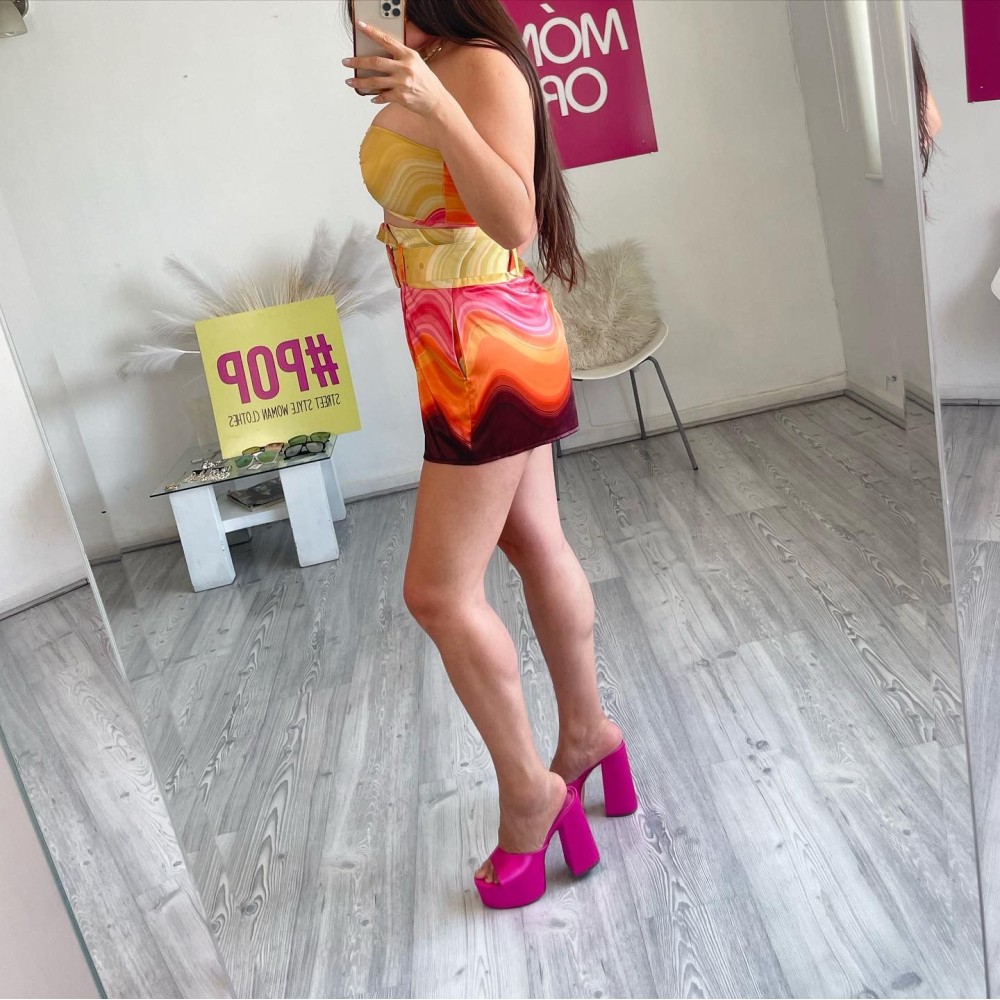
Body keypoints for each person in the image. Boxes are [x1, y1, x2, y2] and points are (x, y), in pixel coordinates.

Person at [343, 0, 637, 908]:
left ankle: (530, 795)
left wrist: (433, 102)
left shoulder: (478, 64)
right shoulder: (435, 61)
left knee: (436, 592)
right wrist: (418, 92)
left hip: (485, 348)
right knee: (535, 542)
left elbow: (513, 219)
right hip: (459, 344)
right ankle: (587, 737)